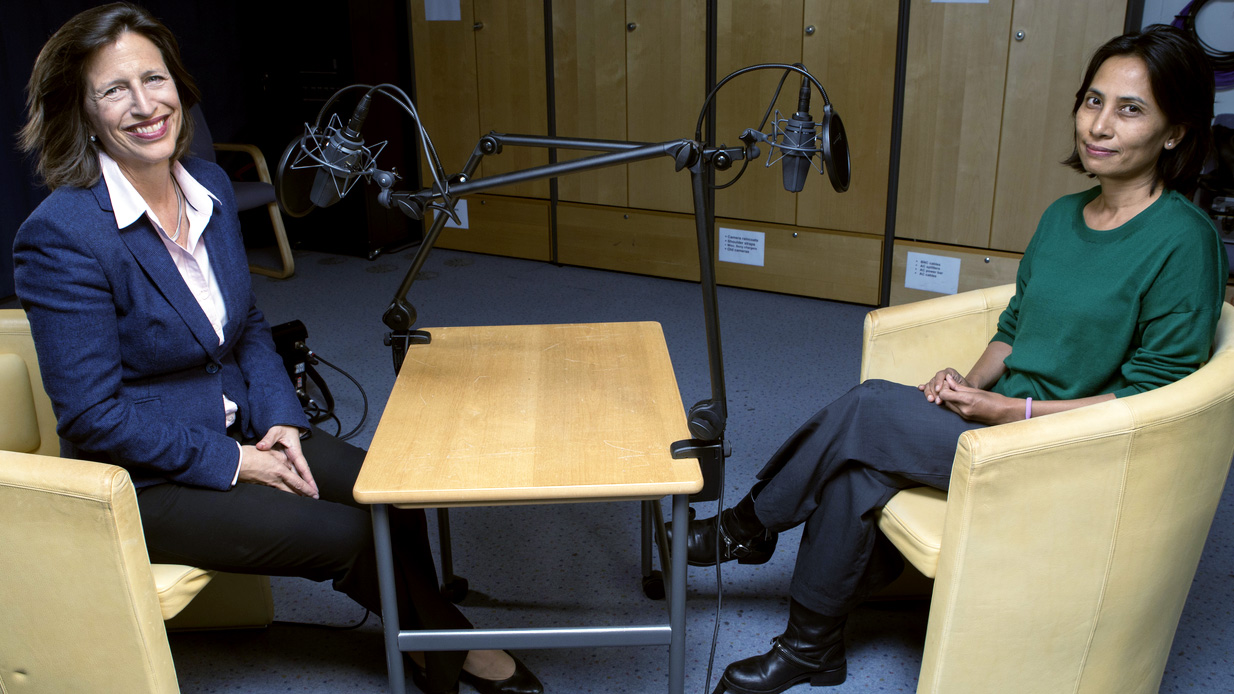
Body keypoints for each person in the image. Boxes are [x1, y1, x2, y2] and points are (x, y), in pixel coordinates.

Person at [12, 5, 541, 694]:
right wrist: (239, 463)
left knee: (397, 495)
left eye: (154, 78)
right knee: (346, 536)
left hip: (245, 420)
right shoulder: (63, 235)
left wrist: (283, 422)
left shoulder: (207, 186)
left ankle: (421, 635)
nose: (145, 106)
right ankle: (453, 650)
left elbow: (249, 327)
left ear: (180, 85)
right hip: (146, 476)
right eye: (115, 90)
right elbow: (92, 416)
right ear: (81, 112)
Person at [686, 25, 1228, 694]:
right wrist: (965, 385)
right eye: (1093, 100)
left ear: (1174, 133)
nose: (1100, 125)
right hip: (1002, 425)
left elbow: (1153, 401)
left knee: (867, 408)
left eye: (1130, 108)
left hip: (1070, 449)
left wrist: (1008, 409)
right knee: (856, 467)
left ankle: (746, 527)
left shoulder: (1184, 242)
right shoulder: (1065, 215)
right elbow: (1017, 326)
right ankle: (809, 647)